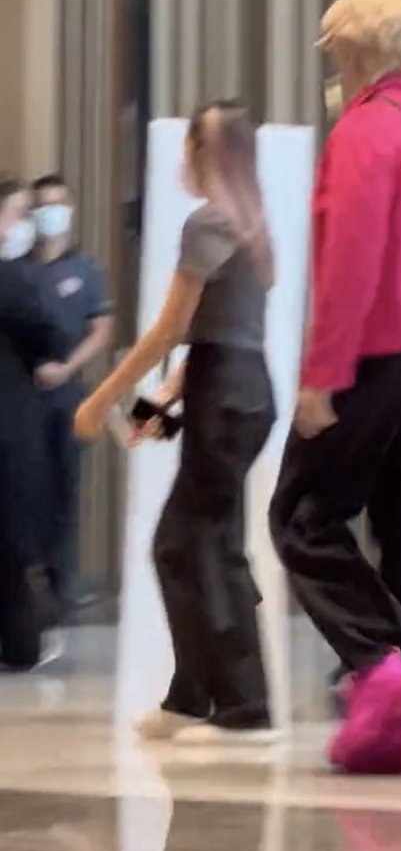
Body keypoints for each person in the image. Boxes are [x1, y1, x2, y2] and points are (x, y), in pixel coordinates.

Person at [269, 0, 401, 775]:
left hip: (374, 349)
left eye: (331, 45)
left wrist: (322, 377)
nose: (330, 60)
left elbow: (348, 265)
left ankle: (385, 673)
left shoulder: (362, 132)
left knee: (302, 518)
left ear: (352, 48)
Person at [75, 102, 276, 742]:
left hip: (225, 392)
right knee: (197, 543)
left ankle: (243, 705)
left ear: (200, 152)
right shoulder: (250, 223)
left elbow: (169, 329)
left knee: (194, 545)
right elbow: (220, 333)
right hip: (240, 389)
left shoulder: (207, 222)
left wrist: (102, 397)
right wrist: (161, 399)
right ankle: (195, 694)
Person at [31, 174, 114, 609]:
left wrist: (67, 368)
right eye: (42, 205)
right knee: (27, 488)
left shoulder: (85, 270)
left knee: (65, 485)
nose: (50, 213)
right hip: (24, 395)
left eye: (57, 204)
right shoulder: (21, 268)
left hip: (67, 395)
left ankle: (61, 582)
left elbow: (101, 329)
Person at [0, 176, 68, 669]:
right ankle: (21, 644)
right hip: (11, 426)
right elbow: (50, 336)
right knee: (14, 544)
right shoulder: (15, 280)